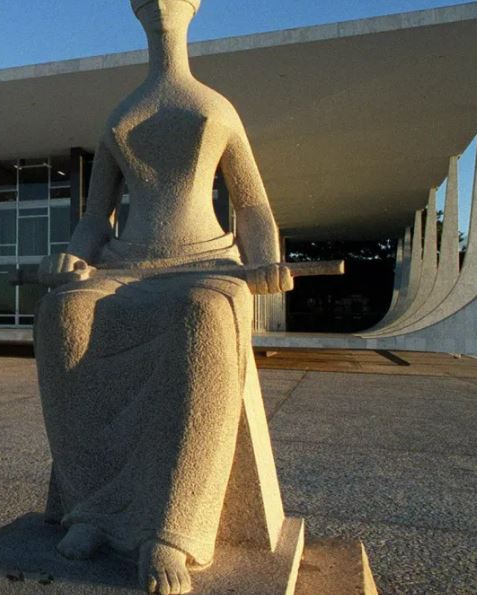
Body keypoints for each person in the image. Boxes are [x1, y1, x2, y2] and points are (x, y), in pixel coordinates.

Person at [34, 1, 292, 593]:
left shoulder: (216, 108)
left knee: (202, 316)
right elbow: (95, 217)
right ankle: (93, 507)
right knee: (63, 314)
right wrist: (72, 257)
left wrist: (264, 260)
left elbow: (252, 206)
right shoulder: (122, 114)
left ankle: (173, 530)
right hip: (128, 264)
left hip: (205, 262)